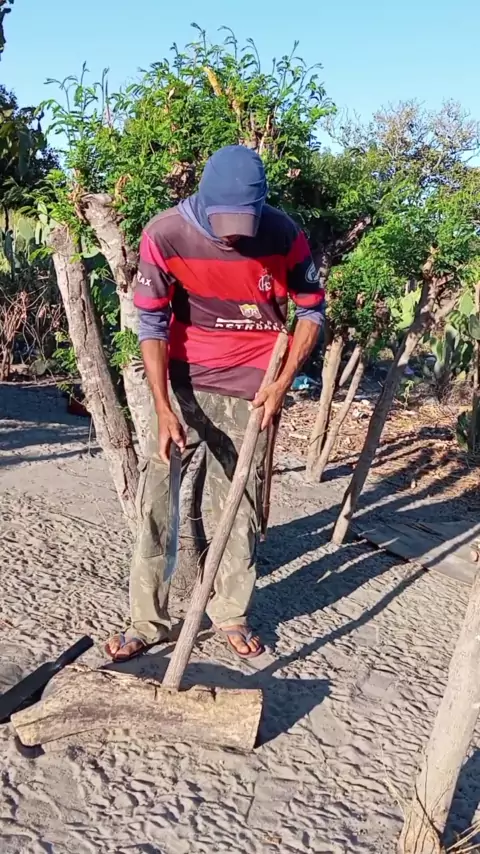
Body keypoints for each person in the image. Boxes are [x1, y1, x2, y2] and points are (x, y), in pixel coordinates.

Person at [105, 144, 324, 662]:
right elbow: (151, 323)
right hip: (184, 381)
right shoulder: (166, 233)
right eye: (223, 222)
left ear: (261, 206)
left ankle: (230, 612)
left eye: (243, 223)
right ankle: (147, 621)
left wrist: (281, 384)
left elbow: (311, 311)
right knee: (158, 501)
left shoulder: (283, 233)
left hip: (254, 384)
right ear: (202, 199)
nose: (232, 236)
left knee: (239, 502)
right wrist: (162, 407)